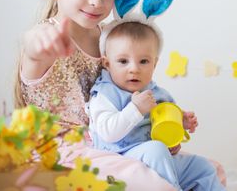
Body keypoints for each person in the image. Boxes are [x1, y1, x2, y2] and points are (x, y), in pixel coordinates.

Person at [15, 0, 226, 189]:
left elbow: (130, 92)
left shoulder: (108, 37)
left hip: (112, 140)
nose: (96, 0)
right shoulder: (46, 37)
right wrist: (36, 44)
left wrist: (162, 127)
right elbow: (32, 50)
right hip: (63, 152)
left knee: (210, 170)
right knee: (149, 179)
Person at [89, 20, 225, 191]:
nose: (134, 69)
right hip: (120, 158)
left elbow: (163, 123)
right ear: (107, 63)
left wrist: (179, 124)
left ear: (155, 63)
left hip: (157, 158)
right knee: (156, 150)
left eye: (143, 61)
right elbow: (108, 133)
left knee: (202, 167)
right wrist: (135, 109)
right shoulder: (105, 94)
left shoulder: (157, 93)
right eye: (123, 61)